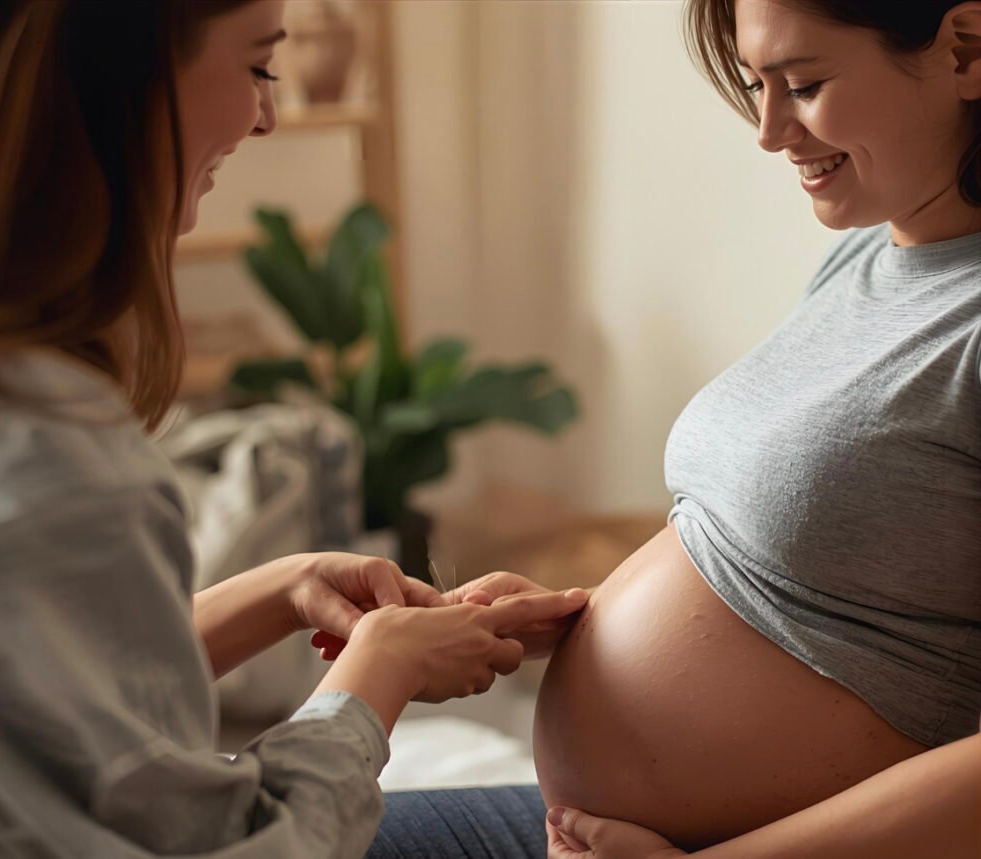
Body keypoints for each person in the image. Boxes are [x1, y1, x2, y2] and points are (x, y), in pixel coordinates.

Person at [0, 2, 589, 857]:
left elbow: (37, 693)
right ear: (123, 82)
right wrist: (380, 675)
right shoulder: (56, 464)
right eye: (259, 65)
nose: (268, 114)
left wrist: (280, 590)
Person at [361, 2, 981, 857]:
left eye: (803, 85)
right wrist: (580, 619)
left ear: (966, 49)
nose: (769, 132)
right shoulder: (869, 253)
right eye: (756, 83)